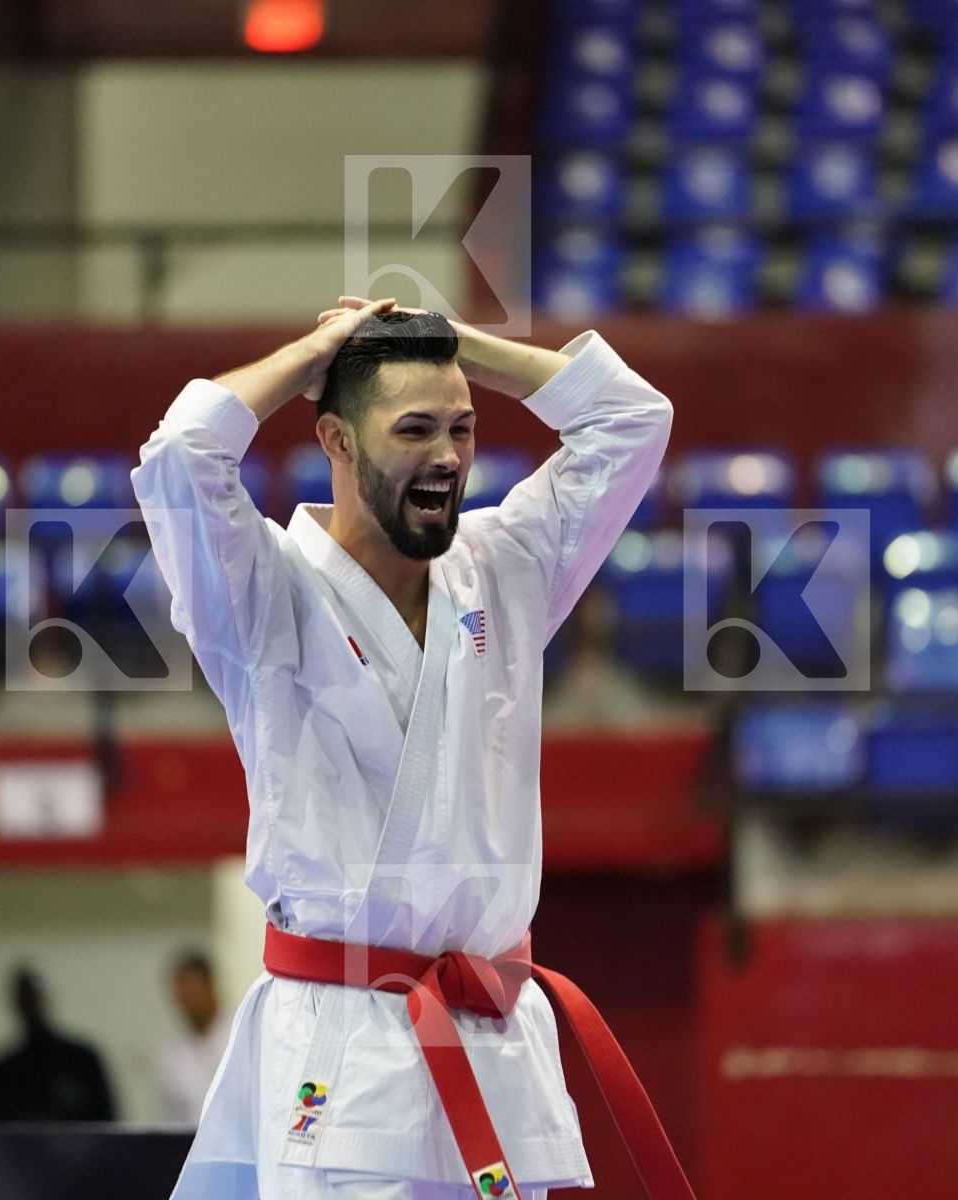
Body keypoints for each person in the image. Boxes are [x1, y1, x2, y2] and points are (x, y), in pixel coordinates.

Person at [133, 298, 691, 1198]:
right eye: (415, 429)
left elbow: (632, 419)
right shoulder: (260, 593)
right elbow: (179, 455)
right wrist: (320, 350)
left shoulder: (505, 567)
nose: (447, 456)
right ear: (337, 440)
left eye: (462, 429)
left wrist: (448, 340)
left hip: (494, 1044)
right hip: (342, 1057)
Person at [0, 966, 118, 1122]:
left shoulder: (83, 1059)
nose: (33, 1004)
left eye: (37, 996)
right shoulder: (5, 1071)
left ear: (49, 997)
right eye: (26, 998)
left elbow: (108, 1119)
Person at [152, 950, 234, 1128]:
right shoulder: (172, 1056)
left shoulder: (241, 1037)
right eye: (182, 993)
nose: (188, 1000)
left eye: (193, 990)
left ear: (209, 985)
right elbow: (167, 1121)